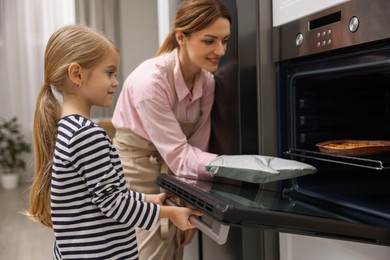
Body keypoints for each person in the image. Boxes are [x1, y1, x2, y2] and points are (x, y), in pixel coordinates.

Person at [27, 24, 202, 260]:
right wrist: (169, 214)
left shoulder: (68, 129)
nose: (115, 82)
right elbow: (113, 203)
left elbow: (104, 194)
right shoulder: (87, 135)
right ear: (76, 74)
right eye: (109, 73)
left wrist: (148, 198)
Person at [111, 0, 232, 259]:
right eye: (210, 41)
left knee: (174, 251)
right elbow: (180, 153)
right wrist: (236, 166)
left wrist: (193, 205)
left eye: (225, 40)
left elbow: (197, 147)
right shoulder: (150, 83)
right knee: (149, 253)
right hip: (137, 172)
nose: (220, 50)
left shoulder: (207, 82)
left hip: (177, 171)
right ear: (181, 37)